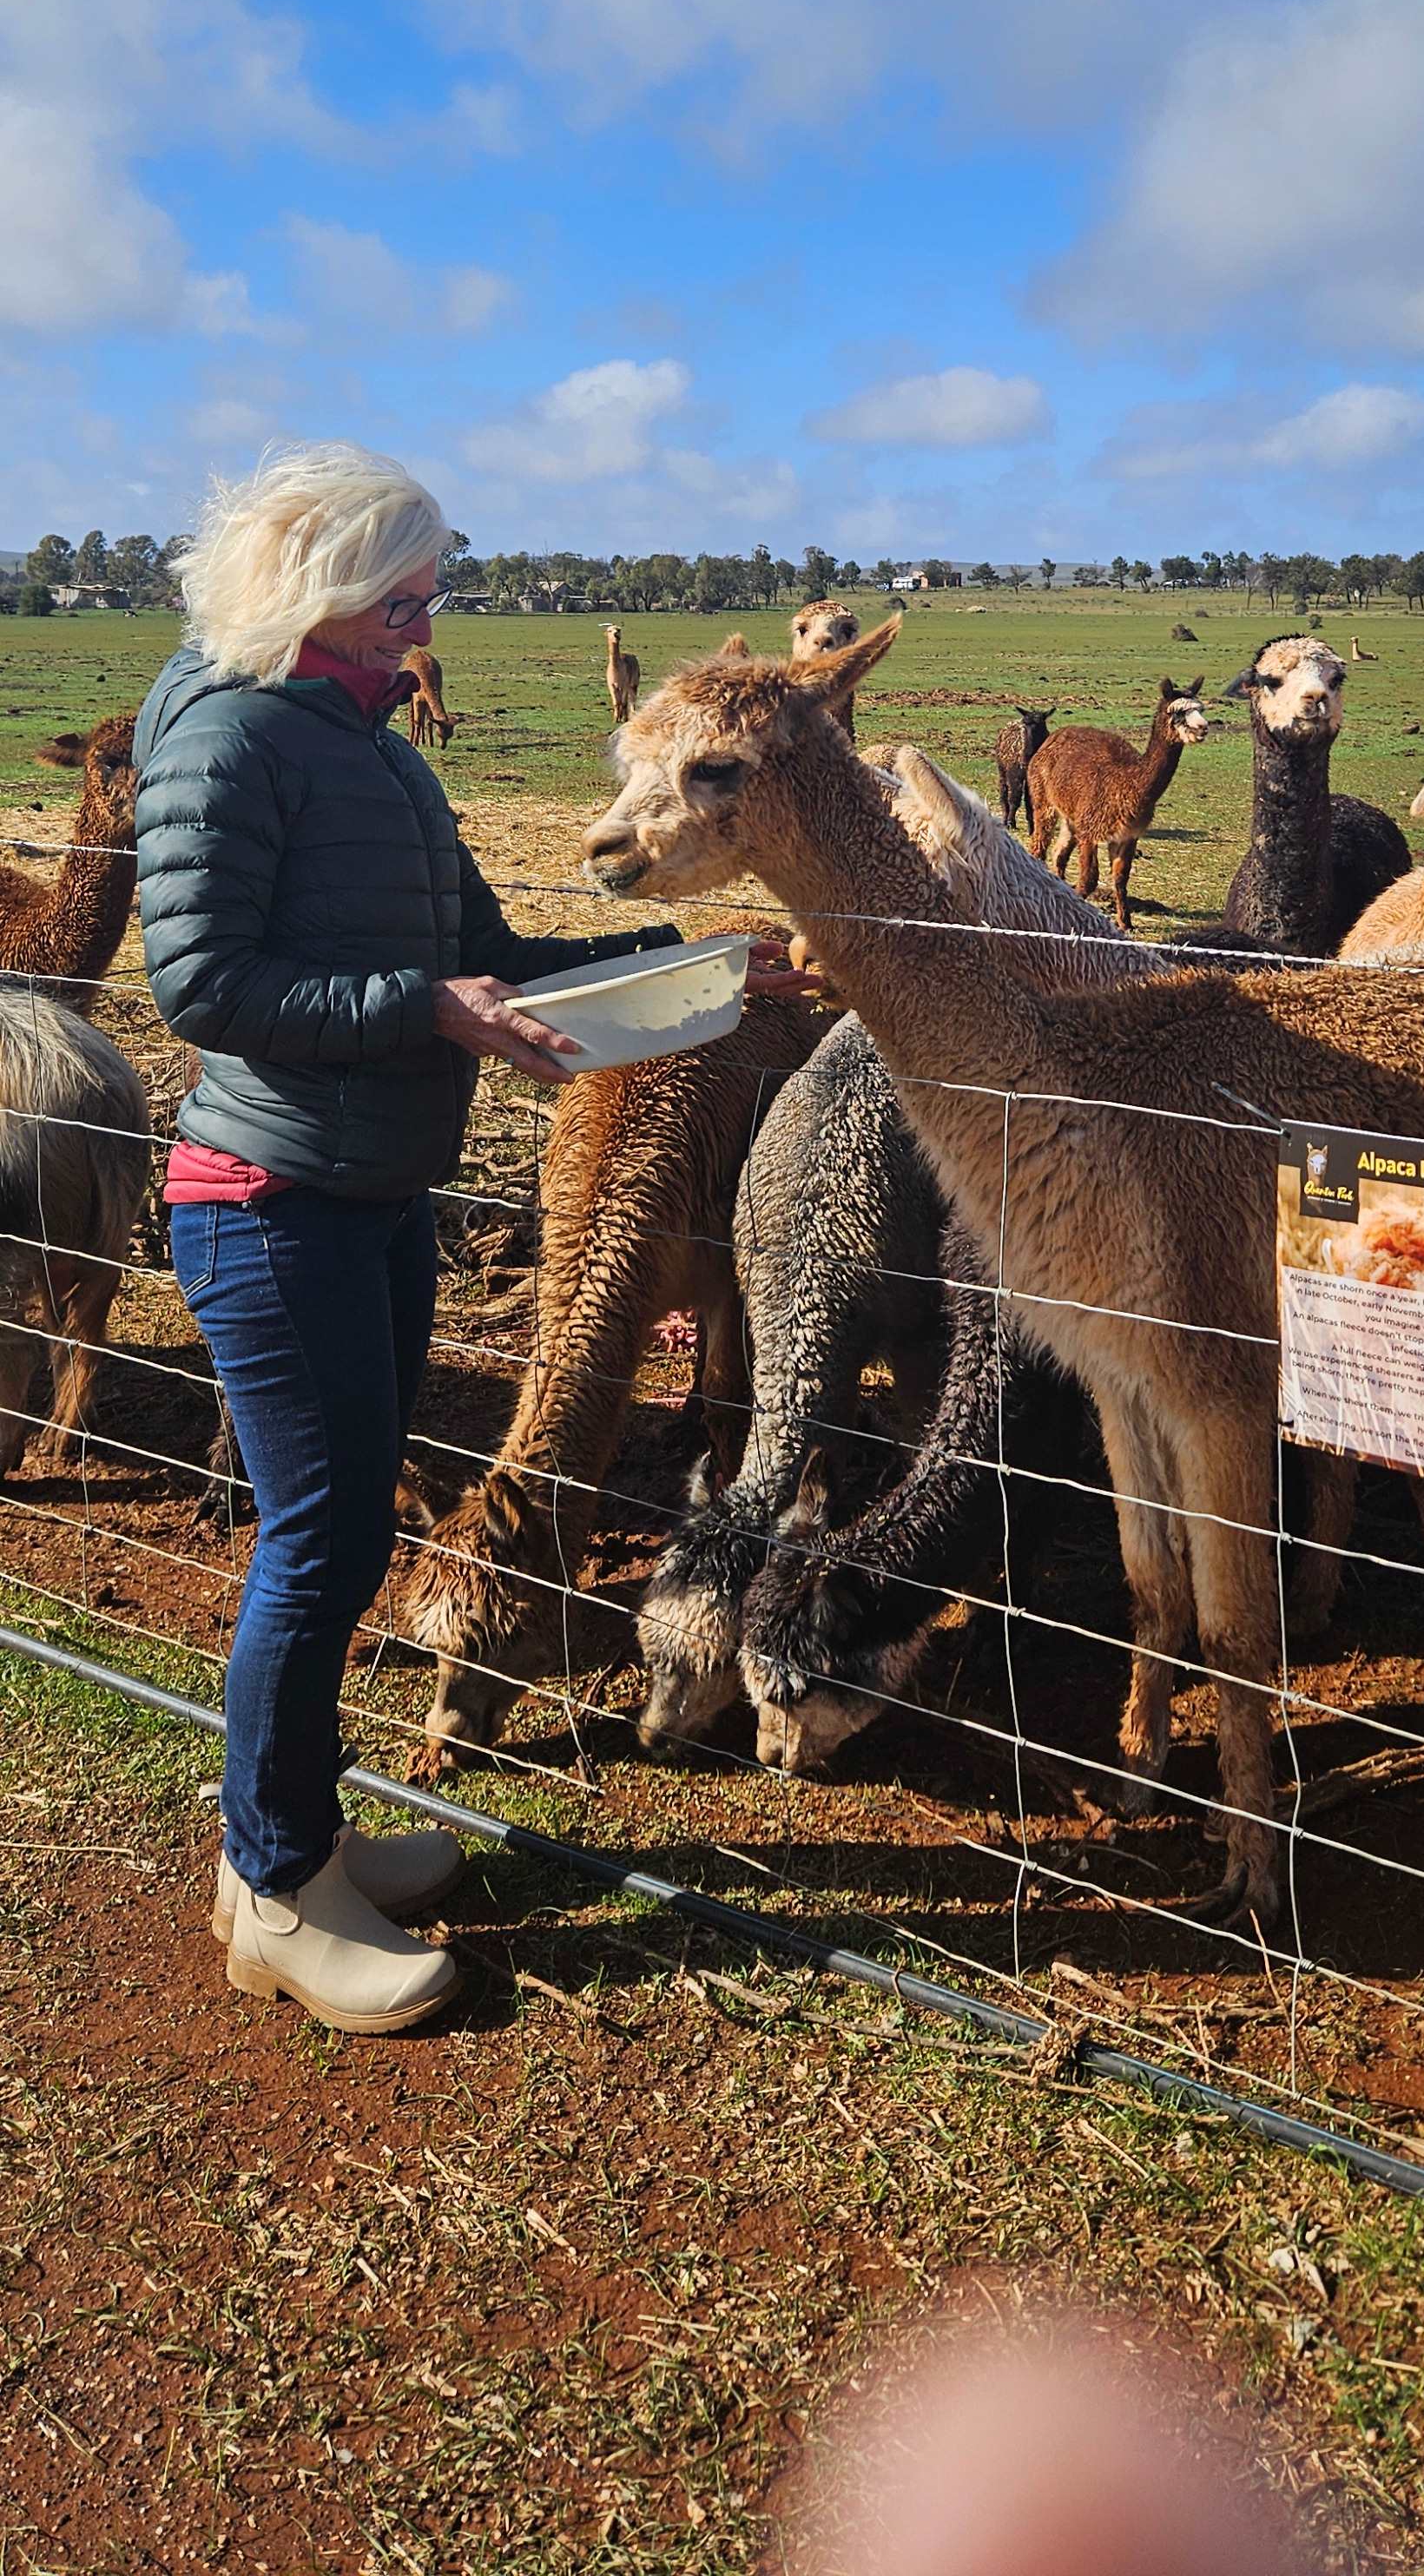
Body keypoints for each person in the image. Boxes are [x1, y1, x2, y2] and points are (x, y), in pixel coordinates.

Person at [135, 441, 800, 2036]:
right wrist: (421, 1010)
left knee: (343, 1537)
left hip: (371, 1197)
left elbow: (495, 951)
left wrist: (700, 963)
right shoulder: (229, 738)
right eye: (402, 600)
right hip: (270, 1203)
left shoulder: (372, 747)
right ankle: (276, 1896)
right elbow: (200, 986)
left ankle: (294, 1844)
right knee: (316, 1548)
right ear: (315, 591)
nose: (425, 627)